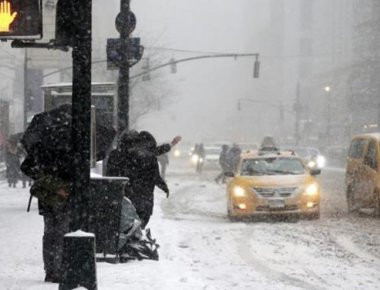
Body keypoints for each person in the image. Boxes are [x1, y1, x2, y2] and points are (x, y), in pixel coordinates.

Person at [21, 142, 72, 283]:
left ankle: (51, 270)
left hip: (47, 197)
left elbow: (26, 167)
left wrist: (43, 178)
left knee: (50, 233)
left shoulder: (40, 145)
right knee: (59, 233)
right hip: (60, 196)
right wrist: (55, 185)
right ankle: (56, 269)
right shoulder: (69, 145)